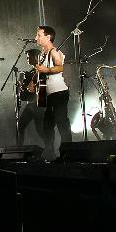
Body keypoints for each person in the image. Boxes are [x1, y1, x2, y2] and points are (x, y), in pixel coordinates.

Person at [32, 26, 74, 157]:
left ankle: (68, 153)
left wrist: (47, 70)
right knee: (48, 126)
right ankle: (50, 153)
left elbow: (61, 67)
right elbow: (41, 73)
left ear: (48, 37)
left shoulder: (54, 51)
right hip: (49, 94)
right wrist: (33, 83)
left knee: (62, 122)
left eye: (39, 35)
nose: (36, 38)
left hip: (59, 92)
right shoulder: (41, 54)